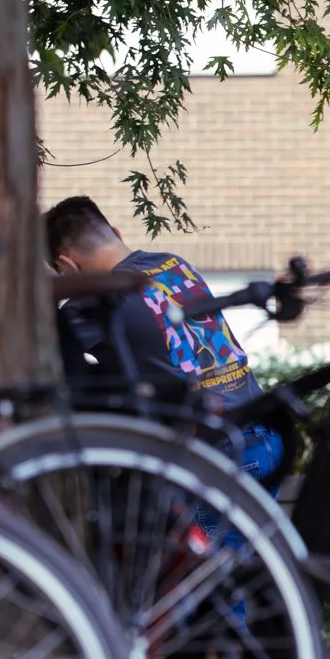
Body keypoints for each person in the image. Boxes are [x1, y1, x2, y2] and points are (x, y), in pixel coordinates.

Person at [44, 196, 281, 486]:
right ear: (116, 234)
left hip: (214, 452)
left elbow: (41, 356)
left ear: (67, 265)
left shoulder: (97, 300)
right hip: (262, 430)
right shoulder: (176, 264)